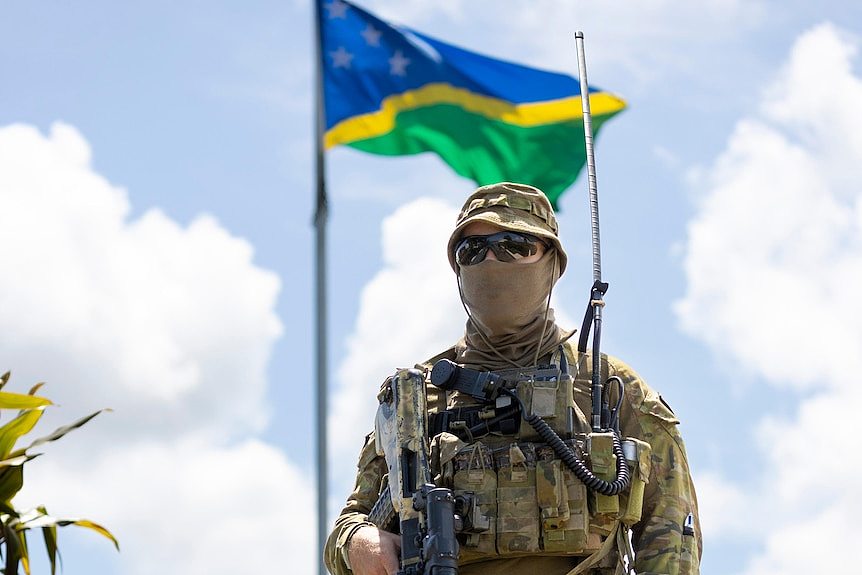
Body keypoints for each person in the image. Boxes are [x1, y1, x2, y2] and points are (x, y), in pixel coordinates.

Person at [324, 182, 701, 575]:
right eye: (472, 251)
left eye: (514, 246)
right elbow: (351, 523)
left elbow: (672, 538)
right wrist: (357, 542)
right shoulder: (415, 401)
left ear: (552, 264)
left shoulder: (610, 391)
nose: (491, 261)